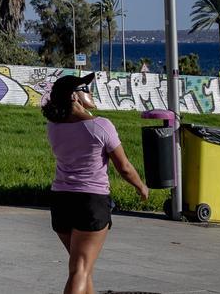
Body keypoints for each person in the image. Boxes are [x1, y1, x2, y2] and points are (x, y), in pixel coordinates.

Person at [42, 73, 148, 294]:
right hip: (91, 201)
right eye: (86, 89)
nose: (91, 93)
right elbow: (125, 167)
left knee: (82, 267)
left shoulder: (54, 127)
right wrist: (141, 186)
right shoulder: (100, 126)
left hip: (61, 200)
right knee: (80, 269)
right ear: (74, 96)